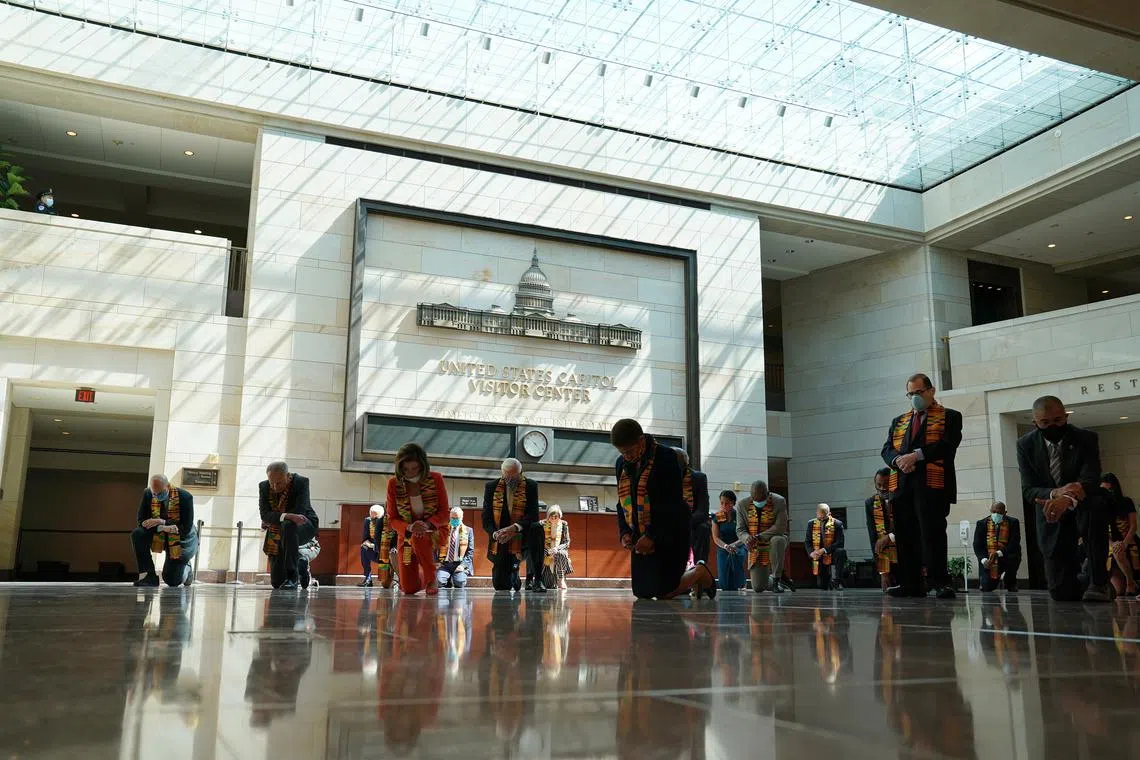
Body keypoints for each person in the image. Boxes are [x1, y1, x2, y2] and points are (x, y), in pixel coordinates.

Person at [1017, 395, 1111, 602]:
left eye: (1058, 420)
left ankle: (1098, 582)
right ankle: (1081, 580)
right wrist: (1055, 494)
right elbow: (1029, 489)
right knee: (1061, 592)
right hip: (1050, 513)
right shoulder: (1025, 445)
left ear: (1066, 416)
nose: (1052, 426)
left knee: (1096, 505)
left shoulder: (1086, 438)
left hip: (1085, 506)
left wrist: (1067, 498)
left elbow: (1090, 478)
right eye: (1045, 423)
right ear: (1035, 422)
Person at [610, 418, 714, 599]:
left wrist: (652, 535)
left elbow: (671, 503)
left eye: (629, 451)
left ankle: (699, 571)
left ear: (641, 440)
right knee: (642, 592)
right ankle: (690, 575)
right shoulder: (621, 464)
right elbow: (622, 502)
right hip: (641, 534)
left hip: (671, 529)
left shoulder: (666, 457)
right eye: (622, 452)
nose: (626, 456)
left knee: (664, 591)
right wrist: (625, 532)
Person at [881, 372, 963, 599]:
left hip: (932, 486)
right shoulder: (899, 421)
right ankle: (910, 583)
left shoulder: (950, 416)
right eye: (911, 393)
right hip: (903, 486)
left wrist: (915, 456)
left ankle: (940, 582)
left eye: (919, 392)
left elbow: (947, 446)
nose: (915, 397)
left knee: (932, 534)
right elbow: (887, 449)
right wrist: (898, 460)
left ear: (931, 391)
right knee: (905, 535)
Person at [385, 443, 449, 596]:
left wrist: (426, 525)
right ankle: (423, 577)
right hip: (407, 533)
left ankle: (431, 578)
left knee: (419, 536)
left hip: (434, 530)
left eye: (414, 468)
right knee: (408, 588)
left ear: (422, 465)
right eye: (405, 469)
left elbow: (444, 513)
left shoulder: (436, 478)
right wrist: (409, 527)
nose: (410, 473)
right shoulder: (393, 484)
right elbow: (393, 519)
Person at [482, 458, 544, 593]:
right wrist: (495, 534)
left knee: (538, 528)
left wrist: (515, 528)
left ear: (520, 472)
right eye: (507, 475)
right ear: (502, 472)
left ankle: (537, 580)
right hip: (502, 538)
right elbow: (486, 518)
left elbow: (533, 515)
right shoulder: (491, 487)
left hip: (523, 534)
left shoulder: (531, 486)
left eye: (513, 475)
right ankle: (514, 571)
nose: (510, 479)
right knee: (501, 585)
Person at [259, 461, 319, 590]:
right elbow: (264, 515)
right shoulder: (263, 487)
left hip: (305, 525)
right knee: (277, 583)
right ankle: (300, 564)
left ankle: (292, 575)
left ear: (288, 476)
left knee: (288, 525)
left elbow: (299, 512)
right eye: (271, 483)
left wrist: (275, 517)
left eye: (279, 483)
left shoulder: (301, 483)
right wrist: (286, 516)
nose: (274, 487)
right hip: (279, 530)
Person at [131, 474, 197, 587]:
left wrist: (163, 522)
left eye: (160, 493)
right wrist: (162, 527)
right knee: (138, 534)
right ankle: (149, 576)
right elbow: (142, 521)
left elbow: (185, 528)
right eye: (154, 493)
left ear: (168, 486)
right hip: (160, 534)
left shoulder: (185, 497)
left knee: (172, 580)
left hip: (181, 541)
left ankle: (187, 567)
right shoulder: (148, 494)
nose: (156, 496)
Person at [736, 479, 790, 593]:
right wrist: (747, 538)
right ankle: (776, 580)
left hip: (774, 538)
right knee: (758, 587)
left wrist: (759, 536)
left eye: (761, 499)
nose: (758, 502)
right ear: (751, 496)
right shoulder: (742, 505)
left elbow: (780, 527)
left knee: (777, 541)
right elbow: (740, 530)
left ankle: (776, 579)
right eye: (755, 499)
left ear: (767, 493)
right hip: (755, 545)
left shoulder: (779, 501)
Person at [674, 447, 711, 569]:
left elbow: (703, 510)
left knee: (703, 529)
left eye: (680, 464)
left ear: (686, 464)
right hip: (670, 523)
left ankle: (699, 570)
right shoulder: (663, 478)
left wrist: (684, 522)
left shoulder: (699, 478)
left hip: (692, 522)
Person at [1102, 473, 1138, 598]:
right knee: (1118, 591)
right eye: (1104, 491)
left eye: (1110, 490)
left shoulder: (1126, 502)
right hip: (1111, 544)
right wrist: (1113, 544)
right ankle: (1132, 582)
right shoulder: (1101, 507)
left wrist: (1125, 543)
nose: (1107, 494)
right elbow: (1102, 532)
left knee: (1119, 551)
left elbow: (1133, 525)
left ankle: (1130, 583)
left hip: (1129, 541)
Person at [973, 501, 1021, 592]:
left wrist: (998, 553)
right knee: (986, 587)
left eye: (999, 512)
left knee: (1014, 555)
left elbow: (1014, 544)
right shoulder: (981, 524)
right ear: (990, 511)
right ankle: (992, 578)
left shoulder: (1013, 522)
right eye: (994, 512)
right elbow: (977, 545)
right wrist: (984, 560)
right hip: (989, 559)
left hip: (1006, 555)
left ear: (1005, 513)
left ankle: (1010, 581)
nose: (996, 514)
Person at [865, 468, 897, 591]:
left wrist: (890, 537)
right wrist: (883, 572)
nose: (882, 489)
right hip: (885, 560)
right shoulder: (870, 503)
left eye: (886, 485)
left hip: (906, 555)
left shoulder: (903, 499)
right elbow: (873, 537)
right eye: (879, 485)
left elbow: (910, 527)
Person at [805, 503, 846, 590]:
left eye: (824, 518)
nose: (822, 520)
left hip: (832, 552)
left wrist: (824, 550)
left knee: (841, 552)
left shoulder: (837, 523)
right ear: (816, 513)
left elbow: (840, 542)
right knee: (822, 586)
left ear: (829, 513)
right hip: (818, 554)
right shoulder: (811, 523)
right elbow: (807, 542)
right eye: (820, 518)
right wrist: (811, 552)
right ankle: (828, 582)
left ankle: (838, 581)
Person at [712, 491, 746, 591]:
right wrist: (726, 546)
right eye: (722, 503)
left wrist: (734, 545)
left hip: (738, 546)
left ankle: (740, 583)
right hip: (723, 547)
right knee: (724, 584)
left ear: (733, 503)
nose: (724, 505)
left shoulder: (739, 516)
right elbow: (716, 538)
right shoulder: (718, 516)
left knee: (736, 557)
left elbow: (744, 535)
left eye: (727, 503)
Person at [437, 507, 475, 589]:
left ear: (461, 518)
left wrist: (463, 565)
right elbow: (435, 547)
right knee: (439, 582)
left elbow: (470, 551)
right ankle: (447, 580)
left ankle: (455, 578)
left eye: (456, 518)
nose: (454, 520)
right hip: (444, 564)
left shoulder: (468, 531)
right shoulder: (443, 530)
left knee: (460, 582)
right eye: (452, 518)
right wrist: (436, 561)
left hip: (460, 563)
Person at [358, 504, 396, 588]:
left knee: (394, 553)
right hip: (375, 549)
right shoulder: (368, 521)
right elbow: (365, 539)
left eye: (376, 518)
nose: (373, 520)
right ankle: (368, 578)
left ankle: (396, 579)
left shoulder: (389, 521)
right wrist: (372, 545)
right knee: (363, 549)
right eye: (372, 517)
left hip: (388, 550)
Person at [539, 504, 573, 590]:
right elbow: (538, 541)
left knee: (560, 553)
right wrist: (547, 550)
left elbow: (567, 542)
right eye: (551, 516)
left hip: (558, 550)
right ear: (548, 516)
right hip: (545, 550)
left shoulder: (564, 524)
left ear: (559, 517)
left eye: (556, 516)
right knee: (548, 585)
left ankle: (561, 580)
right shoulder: (542, 524)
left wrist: (556, 549)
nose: (553, 518)